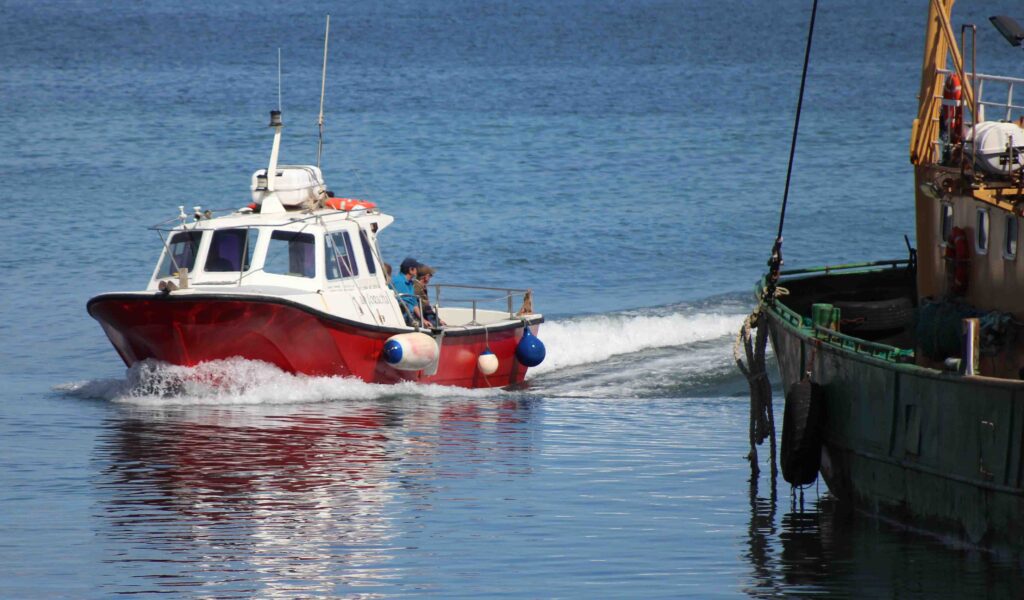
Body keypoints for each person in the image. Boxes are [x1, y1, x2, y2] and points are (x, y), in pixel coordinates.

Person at [392, 257, 429, 326]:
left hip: (410, 314)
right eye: (416, 268)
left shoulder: (410, 282)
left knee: (429, 324)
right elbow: (405, 304)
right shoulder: (399, 281)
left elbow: (414, 303)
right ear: (411, 270)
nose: (418, 271)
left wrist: (423, 320)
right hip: (403, 315)